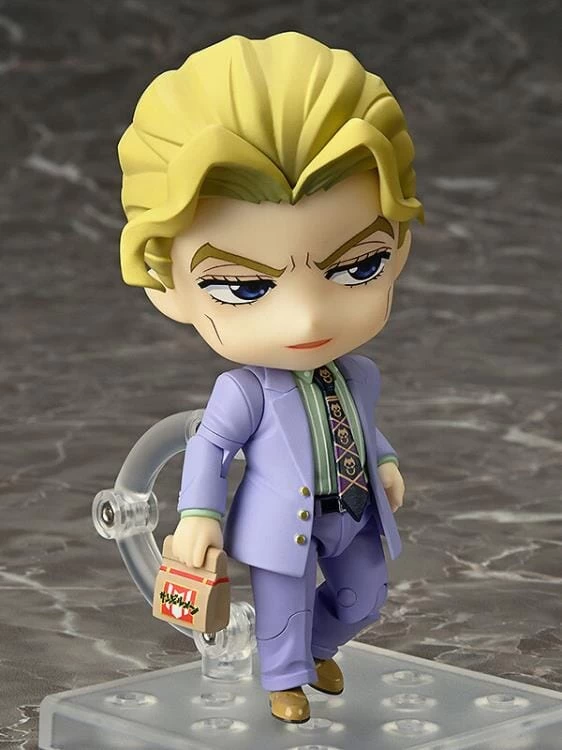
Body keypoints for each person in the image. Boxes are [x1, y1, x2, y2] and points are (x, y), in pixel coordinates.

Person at [117, 31, 423, 723]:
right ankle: (284, 681)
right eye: (243, 286)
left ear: (399, 247)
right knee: (282, 607)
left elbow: (361, 428)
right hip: (281, 524)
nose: (307, 316)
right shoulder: (244, 390)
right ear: (166, 284)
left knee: (365, 598)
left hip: (353, 514)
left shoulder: (360, 373)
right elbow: (208, 449)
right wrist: (199, 516)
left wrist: (385, 461)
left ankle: (316, 648)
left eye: (359, 266)